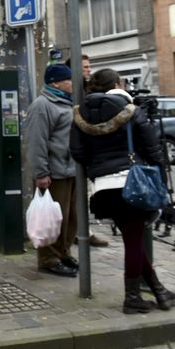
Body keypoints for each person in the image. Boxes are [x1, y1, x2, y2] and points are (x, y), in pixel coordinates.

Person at [70, 69, 175, 313]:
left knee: (133, 239)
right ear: (118, 84)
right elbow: (152, 150)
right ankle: (132, 298)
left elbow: (77, 152)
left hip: (103, 189)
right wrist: (159, 180)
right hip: (131, 185)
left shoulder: (80, 114)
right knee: (134, 241)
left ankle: (159, 291)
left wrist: (97, 167)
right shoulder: (131, 111)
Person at [25, 64, 78, 277]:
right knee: (52, 218)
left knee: (70, 218)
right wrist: (41, 173)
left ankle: (63, 252)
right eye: (69, 79)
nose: (73, 83)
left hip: (71, 170)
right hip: (54, 172)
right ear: (56, 82)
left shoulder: (68, 103)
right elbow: (36, 141)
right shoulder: (43, 105)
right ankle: (48, 258)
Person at [65, 53, 110, 248]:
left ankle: (83, 231)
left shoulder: (87, 90)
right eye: (84, 67)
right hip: (72, 152)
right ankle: (79, 233)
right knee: (75, 197)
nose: (88, 70)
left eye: (89, 66)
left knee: (84, 195)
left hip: (86, 151)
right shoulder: (70, 93)